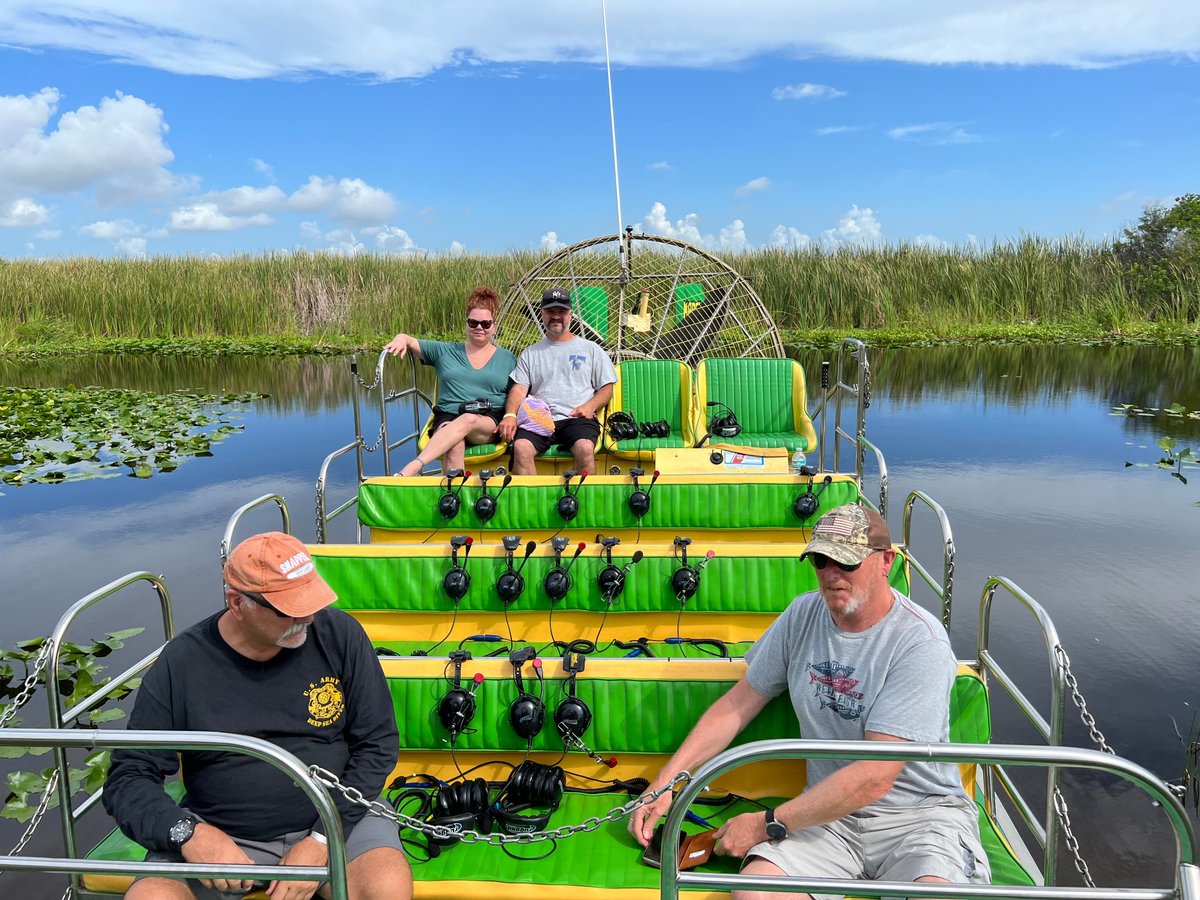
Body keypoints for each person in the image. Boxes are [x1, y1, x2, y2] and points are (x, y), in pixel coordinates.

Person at [629, 504, 990, 899]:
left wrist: (766, 823)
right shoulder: (802, 614)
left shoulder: (920, 642)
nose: (831, 574)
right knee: (755, 895)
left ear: (886, 561)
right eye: (820, 560)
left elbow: (874, 777)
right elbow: (738, 705)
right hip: (828, 819)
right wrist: (667, 783)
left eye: (846, 562)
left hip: (919, 820)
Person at [103, 531, 410, 900]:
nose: (308, 617)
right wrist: (189, 834)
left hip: (338, 818)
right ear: (237, 603)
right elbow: (129, 776)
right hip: (222, 832)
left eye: (311, 601)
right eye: (289, 610)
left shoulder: (340, 635)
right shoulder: (182, 662)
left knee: (386, 888)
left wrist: (323, 838)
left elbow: (377, 745)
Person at [384, 286, 517, 477]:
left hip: (487, 421)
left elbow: (518, 392)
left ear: (494, 326)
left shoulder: (508, 358)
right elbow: (408, 339)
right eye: (473, 322)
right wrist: (399, 339)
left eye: (486, 324)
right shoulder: (445, 351)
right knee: (454, 444)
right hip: (448, 415)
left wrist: (511, 417)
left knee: (468, 419)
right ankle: (453, 498)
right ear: (466, 324)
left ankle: (413, 467)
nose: (479, 327)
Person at [496, 286, 617, 475]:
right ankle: (534, 502)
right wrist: (510, 415)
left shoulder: (591, 349)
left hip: (576, 418)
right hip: (540, 419)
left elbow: (606, 389)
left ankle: (579, 500)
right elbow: (519, 389)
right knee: (521, 447)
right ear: (542, 314)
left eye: (561, 311)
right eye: (551, 311)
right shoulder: (530, 353)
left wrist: (589, 406)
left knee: (585, 449)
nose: (556, 316)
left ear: (571, 314)